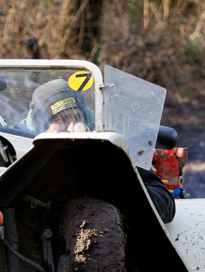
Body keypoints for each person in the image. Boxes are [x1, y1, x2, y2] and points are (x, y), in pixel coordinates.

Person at [28, 79, 176, 224]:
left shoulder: (106, 152)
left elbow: (166, 206)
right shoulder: (24, 159)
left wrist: (119, 185)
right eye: (62, 119)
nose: (72, 127)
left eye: (78, 117)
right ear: (41, 126)